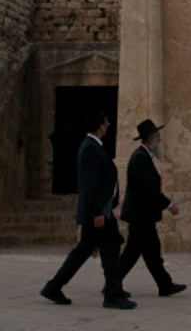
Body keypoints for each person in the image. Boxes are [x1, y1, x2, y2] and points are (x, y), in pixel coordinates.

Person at [40, 110, 136, 310]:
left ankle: (54, 286)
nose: (109, 125)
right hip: (99, 213)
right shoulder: (91, 148)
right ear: (101, 125)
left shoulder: (92, 147)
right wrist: (98, 212)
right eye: (107, 122)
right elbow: (91, 184)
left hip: (100, 211)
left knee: (83, 251)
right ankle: (112, 294)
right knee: (109, 251)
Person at [120, 118, 187, 297]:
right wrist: (169, 204)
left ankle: (165, 285)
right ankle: (112, 284)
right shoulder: (140, 158)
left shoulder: (143, 157)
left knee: (150, 253)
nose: (160, 141)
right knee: (135, 253)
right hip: (140, 215)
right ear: (150, 139)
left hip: (143, 215)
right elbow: (148, 189)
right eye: (158, 137)